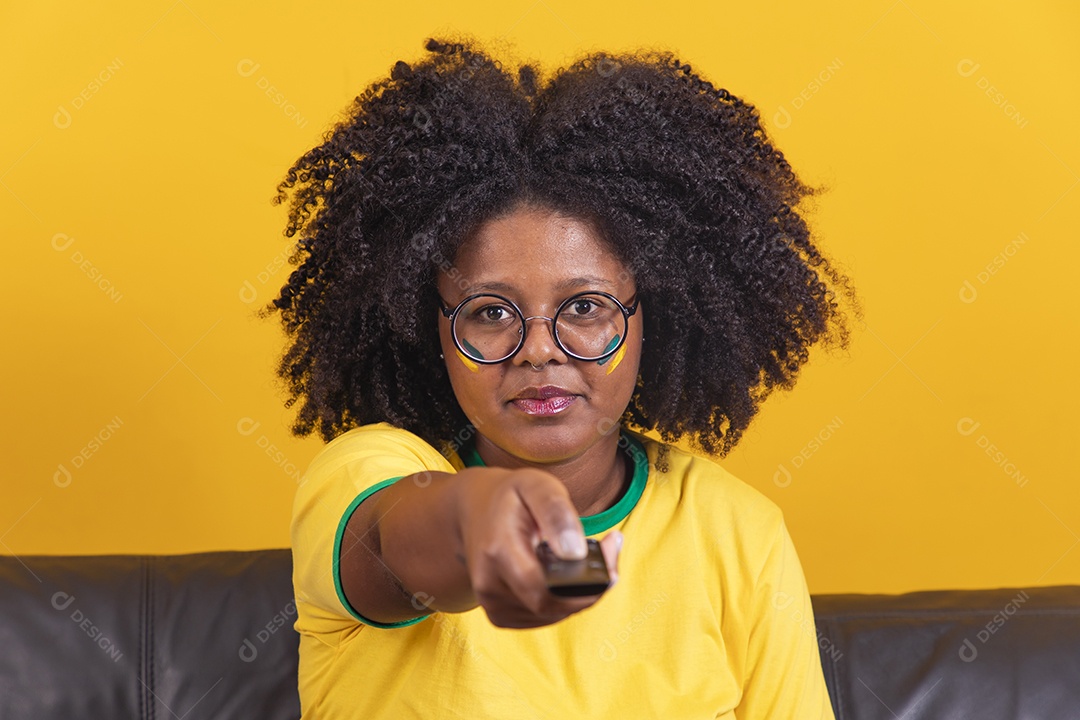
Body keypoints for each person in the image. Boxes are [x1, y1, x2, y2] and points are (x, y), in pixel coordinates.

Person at [261, 34, 859, 719]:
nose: (539, 351)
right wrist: (478, 524)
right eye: (491, 312)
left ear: (653, 318)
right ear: (432, 331)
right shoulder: (365, 470)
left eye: (584, 307)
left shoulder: (737, 532)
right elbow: (398, 543)